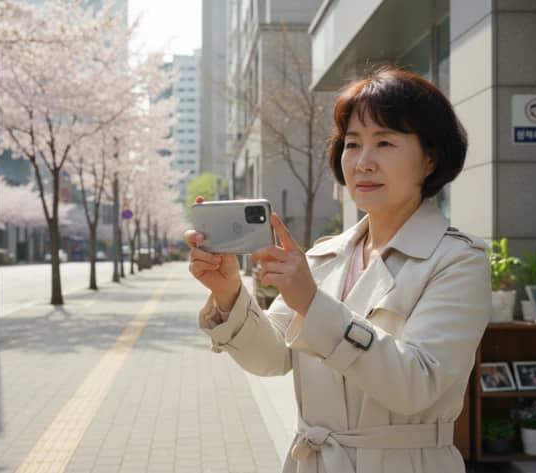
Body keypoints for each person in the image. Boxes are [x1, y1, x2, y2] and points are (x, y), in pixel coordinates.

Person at [184, 67, 491, 473]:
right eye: (352, 144)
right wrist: (228, 294)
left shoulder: (457, 261)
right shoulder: (327, 255)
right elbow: (272, 358)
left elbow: (417, 385)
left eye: (384, 143)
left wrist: (312, 304)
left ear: (430, 158)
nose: (363, 162)